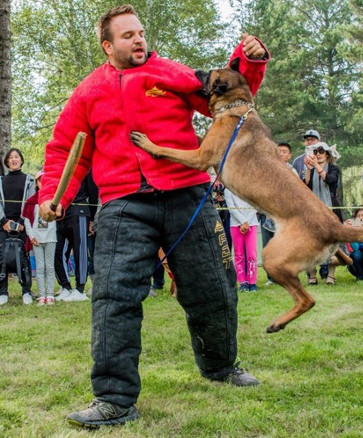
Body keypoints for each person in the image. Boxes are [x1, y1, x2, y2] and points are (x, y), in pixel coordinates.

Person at [38, 5, 269, 428]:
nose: (139, 39)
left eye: (141, 33)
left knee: (214, 288)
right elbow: (64, 150)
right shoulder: (88, 91)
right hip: (124, 203)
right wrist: (54, 197)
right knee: (113, 299)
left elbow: (229, 97)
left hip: (187, 193)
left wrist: (249, 61)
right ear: (107, 45)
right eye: (127, 35)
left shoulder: (173, 73)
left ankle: (220, 367)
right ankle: (113, 399)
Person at [54, 172, 98, 302]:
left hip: (79, 211)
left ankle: (80, 288)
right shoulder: (58, 164)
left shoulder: (85, 167)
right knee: (58, 251)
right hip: (60, 213)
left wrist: (91, 217)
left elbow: (93, 193)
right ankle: (65, 286)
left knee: (80, 251)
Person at [0, 148, 36, 305]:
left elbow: (31, 200)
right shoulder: (1, 180)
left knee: (24, 259)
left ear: (21, 160)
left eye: (17, 157)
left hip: (22, 225)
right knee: (1, 258)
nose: (14, 159)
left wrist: (22, 221)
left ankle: (26, 291)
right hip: (3, 224)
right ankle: (2, 292)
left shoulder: (30, 180)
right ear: (7, 162)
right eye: (11, 157)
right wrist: (3, 221)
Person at [304, 142, 342, 285]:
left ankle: (330, 276)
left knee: (332, 244)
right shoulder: (312, 169)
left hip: (331, 210)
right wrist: (308, 169)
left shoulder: (334, 168)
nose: (318, 154)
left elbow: (330, 180)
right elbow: (305, 187)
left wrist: (317, 166)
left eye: (321, 151)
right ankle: (312, 276)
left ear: (327, 154)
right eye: (315, 151)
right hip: (313, 211)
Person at [261, 141, 297, 286]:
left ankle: (288, 276)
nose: (281, 153)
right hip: (267, 214)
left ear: (289, 155)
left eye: (284, 151)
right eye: (279, 151)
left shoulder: (292, 171)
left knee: (285, 248)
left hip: (286, 217)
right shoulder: (266, 170)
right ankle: (271, 278)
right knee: (268, 247)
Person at [23, 171, 58, 305]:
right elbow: (27, 220)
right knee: (39, 267)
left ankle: (50, 295)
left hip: (50, 239)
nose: (43, 183)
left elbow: (59, 216)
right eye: (40, 180)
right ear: (36, 183)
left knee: (49, 267)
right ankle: (41, 295)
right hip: (37, 239)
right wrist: (31, 236)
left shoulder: (54, 201)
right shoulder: (31, 201)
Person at [224, 189, 259, 292]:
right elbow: (232, 209)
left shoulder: (250, 187)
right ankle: (242, 282)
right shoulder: (228, 190)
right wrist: (242, 221)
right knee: (238, 254)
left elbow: (255, 206)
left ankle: (252, 282)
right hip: (235, 225)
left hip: (251, 224)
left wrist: (246, 223)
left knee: (251, 255)